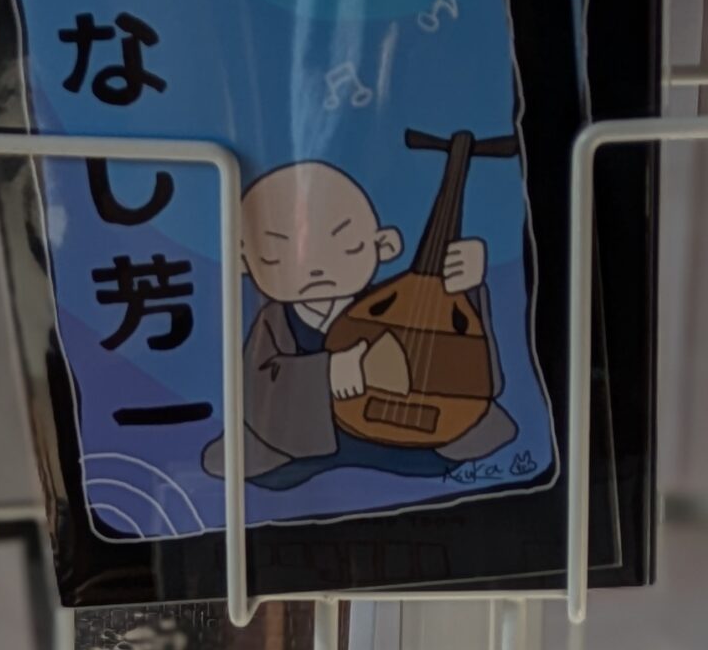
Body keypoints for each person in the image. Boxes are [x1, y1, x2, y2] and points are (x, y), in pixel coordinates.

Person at [203, 161, 517, 490]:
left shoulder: (399, 304)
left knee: (449, 451)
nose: (315, 268)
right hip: (313, 447)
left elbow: (477, 375)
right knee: (265, 469)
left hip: (414, 437)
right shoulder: (276, 321)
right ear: (244, 262)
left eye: (347, 246)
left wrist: (465, 289)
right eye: (274, 255)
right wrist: (332, 373)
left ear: (384, 246)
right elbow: (256, 390)